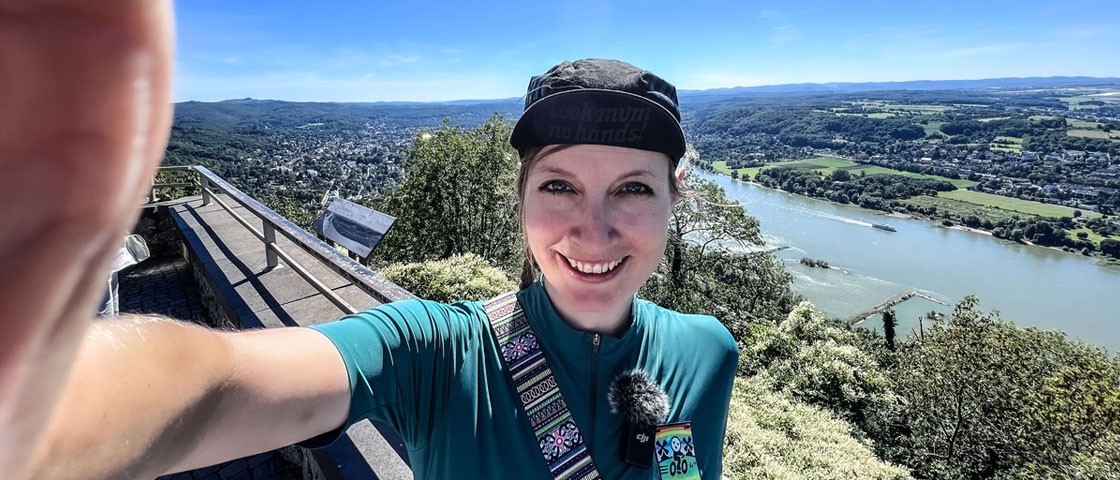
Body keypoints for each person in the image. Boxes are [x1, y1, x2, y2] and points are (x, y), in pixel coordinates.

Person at [1, 2, 737, 479]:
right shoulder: (437, 353)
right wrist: (37, 404)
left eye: (634, 188)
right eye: (559, 185)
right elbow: (216, 387)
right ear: (521, 201)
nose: (593, 228)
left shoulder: (707, 352)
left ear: (676, 195)